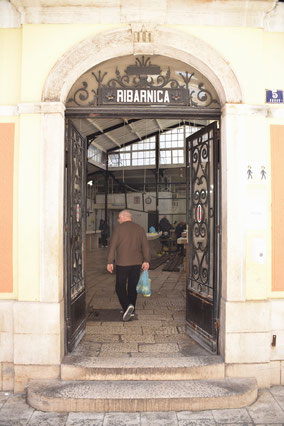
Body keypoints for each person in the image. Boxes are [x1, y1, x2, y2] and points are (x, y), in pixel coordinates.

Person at [106, 210, 150, 321]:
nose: (118, 220)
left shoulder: (118, 229)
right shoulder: (140, 228)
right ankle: (131, 309)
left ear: (123, 217)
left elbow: (112, 246)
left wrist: (110, 261)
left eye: (118, 218)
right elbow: (145, 246)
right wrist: (146, 260)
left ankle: (127, 306)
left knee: (119, 286)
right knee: (132, 286)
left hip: (123, 263)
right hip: (136, 263)